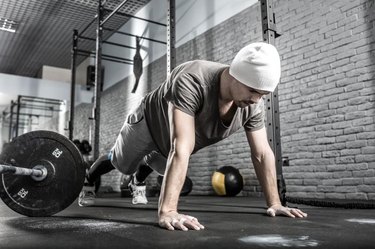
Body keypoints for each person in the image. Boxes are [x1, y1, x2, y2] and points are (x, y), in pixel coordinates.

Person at [78, 42, 308, 231]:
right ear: (235, 75)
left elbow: (261, 153)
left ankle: (139, 179)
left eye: (263, 95)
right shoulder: (193, 78)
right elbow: (181, 146)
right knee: (122, 163)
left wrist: (275, 203)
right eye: (253, 91)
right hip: (148, 122)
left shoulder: (251, 107)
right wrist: (168, 211)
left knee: (156, 162)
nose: (257, 100)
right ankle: (89, 177)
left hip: (173, 141)